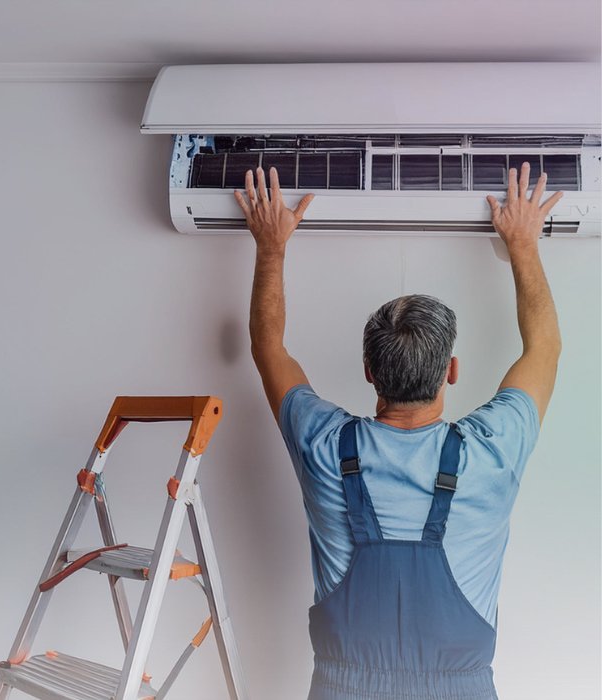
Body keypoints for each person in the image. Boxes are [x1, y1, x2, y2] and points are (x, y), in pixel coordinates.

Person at [236, 162, 561, 700]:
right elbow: (543, 348)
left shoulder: (321, 443)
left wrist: (271, 246)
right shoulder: (492, 451)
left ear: (368, 371)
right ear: (451, 371)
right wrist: (522, 243)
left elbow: (267, 347)